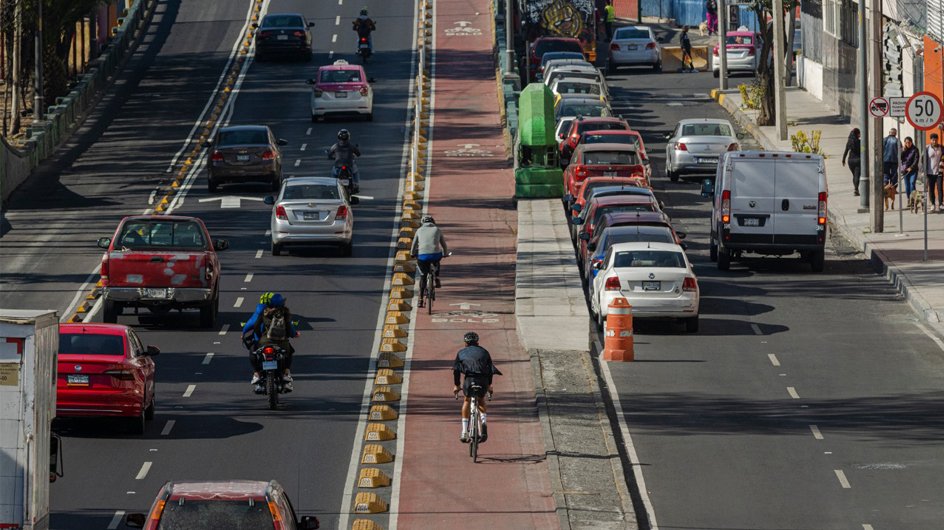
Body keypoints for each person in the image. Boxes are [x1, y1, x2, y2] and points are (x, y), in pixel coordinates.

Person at [243, 293, 298, 392]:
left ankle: (257, 374)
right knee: (289, 352)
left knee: (254, 353)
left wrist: (259, 337)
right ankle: (286, 373)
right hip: (282, 344)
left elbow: (256, 326)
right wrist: (294, 334)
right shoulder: (285, 314)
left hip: (264, 342)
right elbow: (290, 330)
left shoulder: (264, 312)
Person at [452, 332, 500, 443]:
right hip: (483, 381)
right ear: (477, 342)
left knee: (467, 400)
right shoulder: (484, 352)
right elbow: (490, 370)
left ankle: (464, 431)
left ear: (465, 343)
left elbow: (456, 371)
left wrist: (457, 385)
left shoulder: (461, 353)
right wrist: (489, 386)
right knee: (481, 400)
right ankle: (483, 422)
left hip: (469, 380)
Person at [410, 215, 448, 307]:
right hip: (435, 255)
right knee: (437, 260)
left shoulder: (419, 230)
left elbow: (414, 245)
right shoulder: (437, 230)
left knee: (423, 276)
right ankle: (437, 277)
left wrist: (412, 253)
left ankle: (420, 299)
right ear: (433, 222)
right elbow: (444, 245)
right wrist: (445, 253)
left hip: (422, 256)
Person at [841, 128, 862, 196]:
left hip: (850, 161)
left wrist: (843, 160)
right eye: (859, 133)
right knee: (857, 175)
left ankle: (856, 189)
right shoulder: (860, 142)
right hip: (858, 160)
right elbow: (863, 151)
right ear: (857, 134)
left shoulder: (849, 142)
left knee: (854, 175)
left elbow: (846, 151)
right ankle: (856, 189)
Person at [927, 133, 944, 212]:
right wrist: (923, 171)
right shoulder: (927, 148)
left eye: (936, 139)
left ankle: (940, 204)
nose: (934, 141)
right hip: (930, 173)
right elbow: (923, 160)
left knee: (940, 188)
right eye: (933, 140)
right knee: (931, 189)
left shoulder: (941, 148)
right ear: (931, 140)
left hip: (939, 172)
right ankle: (933, 204)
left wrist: (942, 162)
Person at [900, 136, 918, 201]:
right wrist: (903, 150)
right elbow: (900, 158)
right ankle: (909, 199)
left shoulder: (915, 149)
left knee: (912, 183)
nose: (908, 144)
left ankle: (913, 199)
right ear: (904, 143)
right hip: (905, 170)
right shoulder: (903, 149)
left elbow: (916, 160)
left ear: (911, 142)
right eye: (906, 142)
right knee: (907, 186)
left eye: (909, 142)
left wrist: (911, 167)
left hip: (913, 170)